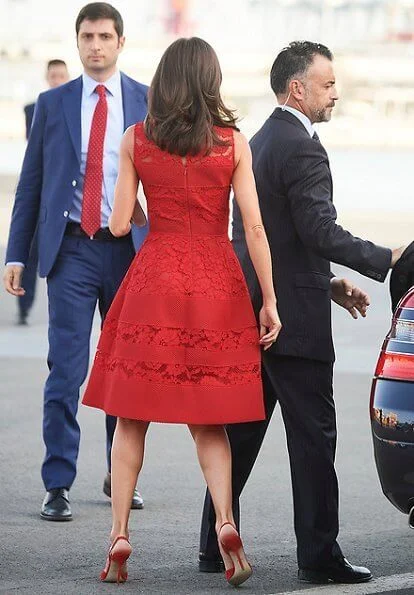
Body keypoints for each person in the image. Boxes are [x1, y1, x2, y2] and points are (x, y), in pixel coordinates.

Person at [199, 41, 407, 585]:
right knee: (314, 438)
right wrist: (385, 257)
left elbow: (268, 233)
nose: (335, 93)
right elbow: (316, 228)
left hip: (254, 307)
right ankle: (319, 556)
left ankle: (211, 544)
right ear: (298, 88)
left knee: (240, 435)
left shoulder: (261, 141)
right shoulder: (305, 148)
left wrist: (330, 282)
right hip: (292, 322)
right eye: (328, 84)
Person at [82, 37, 281, 586]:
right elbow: (255, 229)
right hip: (217, 282)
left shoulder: (136, 140)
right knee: (209, 421)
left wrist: (141, 203)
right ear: (210, 81)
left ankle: (119, 534)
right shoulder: (233, 143)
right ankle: (225, 523)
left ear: (164, 82)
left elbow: (119, 225)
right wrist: (269, 299)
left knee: (130, 417)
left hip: (154, 280)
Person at [3, 2, 148, 522]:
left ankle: (120, 473)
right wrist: (16, 253)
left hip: (128, 250)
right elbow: (31, 184)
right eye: (87, 36)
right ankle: (57, 482)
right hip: (70, 247)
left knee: (123, 369)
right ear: (78, 40)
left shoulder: (147, 102)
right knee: (65, 369)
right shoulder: (53, 102)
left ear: (120, 42)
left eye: (105, 36)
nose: (95, 45)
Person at [17, 60, 70, 326]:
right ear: (47, 77)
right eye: (53, 76)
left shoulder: (79, 107)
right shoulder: (35, 107)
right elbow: (34, 150)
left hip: (65, 197)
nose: (57, 80)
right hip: (42, 189)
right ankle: (24, 306)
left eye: (62, 75)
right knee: (30, 251)